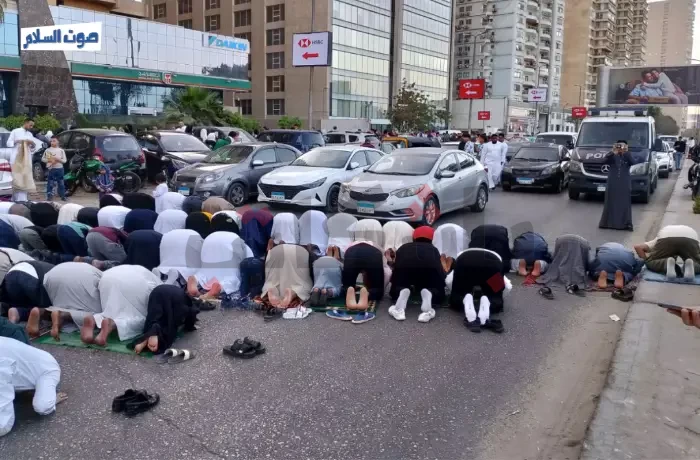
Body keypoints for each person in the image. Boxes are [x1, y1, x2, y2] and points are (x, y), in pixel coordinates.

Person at [0, 337, 62, 437]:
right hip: (22, 368)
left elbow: (3, 426)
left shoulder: (2, 364)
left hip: (47, 369)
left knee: (42, 406)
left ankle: (52, 398)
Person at [388, 226, 445, 323]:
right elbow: (439, 272)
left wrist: (395, 285)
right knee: (437, 291)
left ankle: (401, 291)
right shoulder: (433, 249)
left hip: (406, 276)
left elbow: (396, 271)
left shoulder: (403, 248)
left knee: (397, 288)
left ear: (414, 237)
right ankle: (430, 293)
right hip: (427, 277)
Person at [129, 285, 199, 354]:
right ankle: (154, 333)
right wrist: (190, 327)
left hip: (157, 291)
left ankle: (148, 336)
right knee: (170, 325)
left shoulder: (184, 297)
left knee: (154, 317)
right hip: (172, 298)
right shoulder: (187, 307)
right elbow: (188, 319)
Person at [43, 262, 103, 342]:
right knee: (99, 315)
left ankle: (42, 311)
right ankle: (62, 314)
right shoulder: (103, 277)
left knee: (62, 304)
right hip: (85, 279)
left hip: (54, 273)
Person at [634, 225, 700, 279]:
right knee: (697, 262)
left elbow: (638, 247)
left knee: (651, 262)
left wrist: (646, 261)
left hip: (665, 236)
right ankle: (692, 266)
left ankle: (665, 263)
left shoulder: (656, 241)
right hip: (691, 236)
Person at [599, 141, 635, 231]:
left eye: (622, 145)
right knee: (611, 200)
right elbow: (603, 161)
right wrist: (612, 152)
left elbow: (633, 162)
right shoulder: (612, 155)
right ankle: (608, 223)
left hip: (624, 181)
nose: (620, 147)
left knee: (624, 202)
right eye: (619, 145)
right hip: (613, 181)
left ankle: (625, 224)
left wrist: (626, 152)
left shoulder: (627, 155)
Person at [5, 118, 38, 202]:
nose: (31, 127)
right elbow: (8, 143)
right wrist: (17, 141)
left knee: (25, 177)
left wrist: (32, 144)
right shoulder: (15, 131)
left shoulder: (30, 134)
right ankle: (15, 198)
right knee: (17, 177)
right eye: (30, 125)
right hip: (16, 158)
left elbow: (33, 148)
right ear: (25, 123)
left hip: (26, 159)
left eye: (32, 126)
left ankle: (23, 199)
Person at [41, 136, 67, 201]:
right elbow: (43, 159)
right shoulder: (48, 150)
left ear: (58, 142)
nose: (52, 142)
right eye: (51, 141)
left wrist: (58, 159)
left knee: (61, 183)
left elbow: (64, 161)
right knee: (50, 183)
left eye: (54, 141)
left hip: (60, 169)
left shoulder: (61, 150)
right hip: (51, 169)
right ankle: (49, 196)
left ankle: (63, 196)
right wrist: (49, 160)